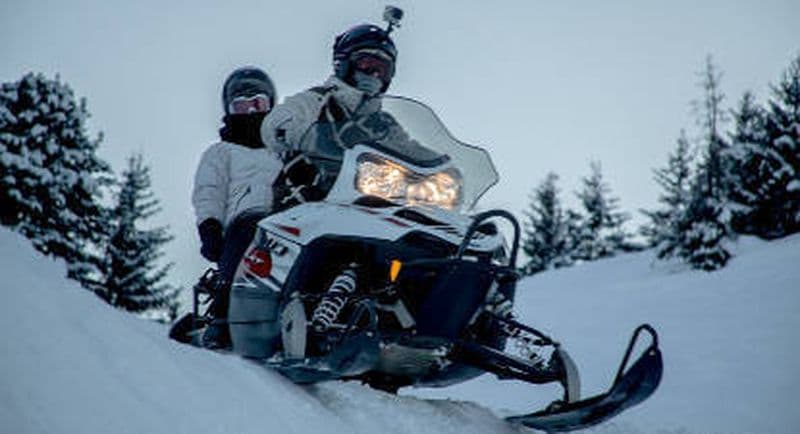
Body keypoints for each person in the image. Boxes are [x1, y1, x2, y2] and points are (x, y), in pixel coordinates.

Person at [261, 23, 408, 211]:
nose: (374, 74)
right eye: (366, 65)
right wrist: (304, 136)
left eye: (383, 69)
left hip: (373, 207)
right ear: (343, 63)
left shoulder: (385, 125)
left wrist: (443, 169)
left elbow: (410, 151)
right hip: (307, 200)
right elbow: (275, 123)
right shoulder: (317, 100)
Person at [192, 66, 281, 349]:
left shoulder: (283, 150)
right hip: (245, 221)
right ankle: (223, 315)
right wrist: (210, 227)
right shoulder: (222, 152)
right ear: (230, 109)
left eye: (259, 103)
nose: (252, 111)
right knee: (246, 236)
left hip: (287, 220)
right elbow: (209, 191)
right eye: (243, 105)